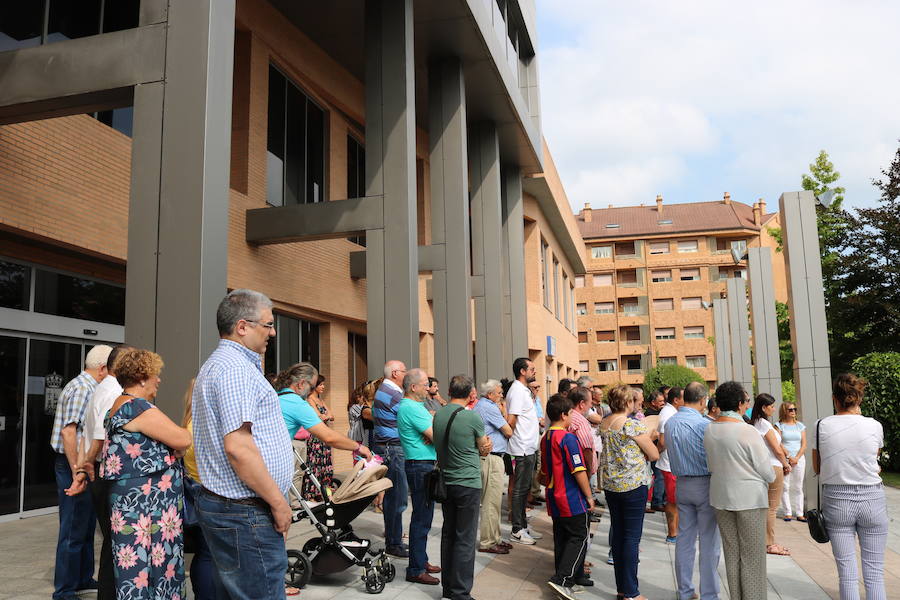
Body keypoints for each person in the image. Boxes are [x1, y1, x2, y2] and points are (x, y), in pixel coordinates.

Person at [192, 289, 295, 600]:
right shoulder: (235, 370)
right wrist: (278, 503)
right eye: (268, 324)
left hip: (234, 509)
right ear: (242, 326)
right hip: (245, 511)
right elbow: (238, 447)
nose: (273, 332)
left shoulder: (227, 365)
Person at [99, 348, 191, 600]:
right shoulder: (137, 407)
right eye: (155, 375)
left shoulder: (118, 405)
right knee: (150, 566)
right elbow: (182, 438)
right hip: (147, 507)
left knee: (133, 566)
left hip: (135, 502)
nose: (159, 380)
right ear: (141, 377)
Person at [813, 374, 887, 600]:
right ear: (859, 399)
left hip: (837, 500)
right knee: (874, 573)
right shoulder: (875, 426)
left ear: (835, 399)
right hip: (872, 498)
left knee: (847, 574)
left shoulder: (821, 425)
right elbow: (872, 460)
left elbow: (818, 466)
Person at [69, 343, 130, 600]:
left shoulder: (105, 388)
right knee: (113, 546)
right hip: (107, 475)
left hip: (101, 472)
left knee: (111, 545)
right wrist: (85, 469)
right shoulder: (113, 391)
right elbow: (97, 438)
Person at [51, 343, 111, 600]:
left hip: (81, 465)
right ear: (102, 368)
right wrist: (78, 469)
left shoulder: (89, 387)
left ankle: (83, 578)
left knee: (85, 526)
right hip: (72, 465)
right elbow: (69, 432)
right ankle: (64, 590)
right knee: (73, 528)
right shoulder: (81, 388)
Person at [704, 381, 774, 600]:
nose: (747, 405)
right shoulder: (747, 431)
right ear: (740, 404)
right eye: (746, 401)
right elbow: (768, 472)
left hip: (721, 496)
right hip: (749, 499)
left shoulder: (710, 429)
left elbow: (710, 465)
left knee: (732, 555)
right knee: (753, 558)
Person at [433, 375, 492, 600]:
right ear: (470, 394)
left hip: (446, 480)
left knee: (448, 534)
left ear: (449, 391)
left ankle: (448, 589)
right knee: (465, 539)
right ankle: (460, 592)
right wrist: (485, 448)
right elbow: (484, 447)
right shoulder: (472, 417)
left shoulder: (439, 414)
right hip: (467, 482)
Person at [599, 384, 658, 600]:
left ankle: (622, 589)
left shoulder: (605, 422)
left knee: (619, 535)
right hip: (633, 486)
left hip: (612, 485)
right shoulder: (631, 425)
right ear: (627, 402)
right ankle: (632, 592)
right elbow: (653, 454)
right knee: (632, 539)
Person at [664, 381, 721, 600]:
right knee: (708, 541)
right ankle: (709, 593)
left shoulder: (670, 422)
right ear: (703, 399)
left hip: (682, 483)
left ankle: (685, 591)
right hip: (704, 483)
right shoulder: (703, 424)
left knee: (685, 539)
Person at [543, 394, 595, 600]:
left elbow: (544, 471)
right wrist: (589, 496)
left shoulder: (545, 437)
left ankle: (567, 578)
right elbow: (578, 470)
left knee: (562, 539)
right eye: (570, 414)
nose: (573, 418)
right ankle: (563, 580)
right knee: (579, 537)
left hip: (554, 496)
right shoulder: (567, 438)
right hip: (571, 498)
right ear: (564, 414)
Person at [396, 368, 442, 584]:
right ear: (413, 387)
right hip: (419, 465)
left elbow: (434, 431)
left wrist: (434, 426)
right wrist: (433, 431)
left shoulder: (417, 406)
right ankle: (415, 569)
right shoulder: (411, 408)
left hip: (423, 464)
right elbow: (436, 435)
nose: (428, 387)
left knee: (425, 517)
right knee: (421, 519)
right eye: (425, 384)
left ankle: (420, 560)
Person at [373, 360, 410, 557]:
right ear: (395, 373)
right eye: (404, 371)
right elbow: (408, 417)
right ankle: (394, 543)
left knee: (395, 496)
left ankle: (394, 540)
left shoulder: (385, 391)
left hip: (390, 448)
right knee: (397, 497)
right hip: (394, 449)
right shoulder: (393, 394)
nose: (406, 374)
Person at [474, 379, 513, 555]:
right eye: (499, 393)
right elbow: (508, 430)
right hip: (491, 457)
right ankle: (488, 542)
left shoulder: (484, 405)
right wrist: (504, 412)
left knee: (494, 502)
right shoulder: (489, 407)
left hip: (491, 457)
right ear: (490, 394)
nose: (501, 396)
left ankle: (495, 538)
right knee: (491, 502)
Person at [750, 393, 792, 556]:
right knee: (772, 507)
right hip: (773, 466)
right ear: (763, 407)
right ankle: (769, 543)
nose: (774, 409)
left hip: (763, 466)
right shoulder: (764, 425)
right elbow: (776, 449)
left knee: (764, 506)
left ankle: (764, 540)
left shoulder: (757, 423)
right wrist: (786, 463)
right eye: (772, 406)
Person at [506, 357, 542, 545]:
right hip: (521, 448)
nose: (534, 372)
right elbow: (512, 420)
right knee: (520, 490)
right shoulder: (517, 391)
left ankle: (523, 526)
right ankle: (517, 529)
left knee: (525, 488)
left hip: (529, 447)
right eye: (532, 369)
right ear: (522, 371)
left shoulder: (523, 390)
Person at [655, 386, 683, 541]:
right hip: (669, 463)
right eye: (684, 398)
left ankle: (676, 531)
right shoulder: (667, 414)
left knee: (676, 499)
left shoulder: (672, 412)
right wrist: (654, 454)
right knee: (673, 500)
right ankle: (673, 533)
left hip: (672, 463)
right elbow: (663, 441)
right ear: (676, 399)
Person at [566, 387, 597, 522]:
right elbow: (587, 450)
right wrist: (588, 473)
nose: (592, 405)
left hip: (570, 469)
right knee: (583, 505)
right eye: (590, 402)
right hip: (581, 471)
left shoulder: (567, 417)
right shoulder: (580, 421)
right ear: (582, 404)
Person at [302, 375, 335, 501]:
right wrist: (326, 416)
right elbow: (317, 417)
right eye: (321, 385)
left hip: (324, 438)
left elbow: (331, 415)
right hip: (315, 438)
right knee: (315, 465)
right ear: (314, 386)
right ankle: (310, 494)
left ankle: (322, 492)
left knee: (324, 466)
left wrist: (325, 416)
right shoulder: (310, 399)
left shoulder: (320, 400)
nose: (323, 387)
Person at [776, 401, 807, 522]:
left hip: (799, 459)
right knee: (785, 486)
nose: (793, 411)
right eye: (790, 409)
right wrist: (789, 456)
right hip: (785, 459)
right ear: (784, 411)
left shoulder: (800, 426)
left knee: (798, 487)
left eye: (795, 409)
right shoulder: (779, 426)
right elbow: (778, 442)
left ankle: (799, 513)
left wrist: (797, 457)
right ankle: (787, 512)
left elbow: (804, 444)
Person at [530, 380, 547, 506]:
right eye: (535, 387)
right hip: (530, 437)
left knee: (538, 465)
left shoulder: (538, 400)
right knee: (532, 466)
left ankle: (535, 492)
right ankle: (530, 495)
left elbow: (541, 415)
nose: (537, 389)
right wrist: (538, 420)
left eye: (538, 387)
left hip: (539, 434)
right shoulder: (527, 400)